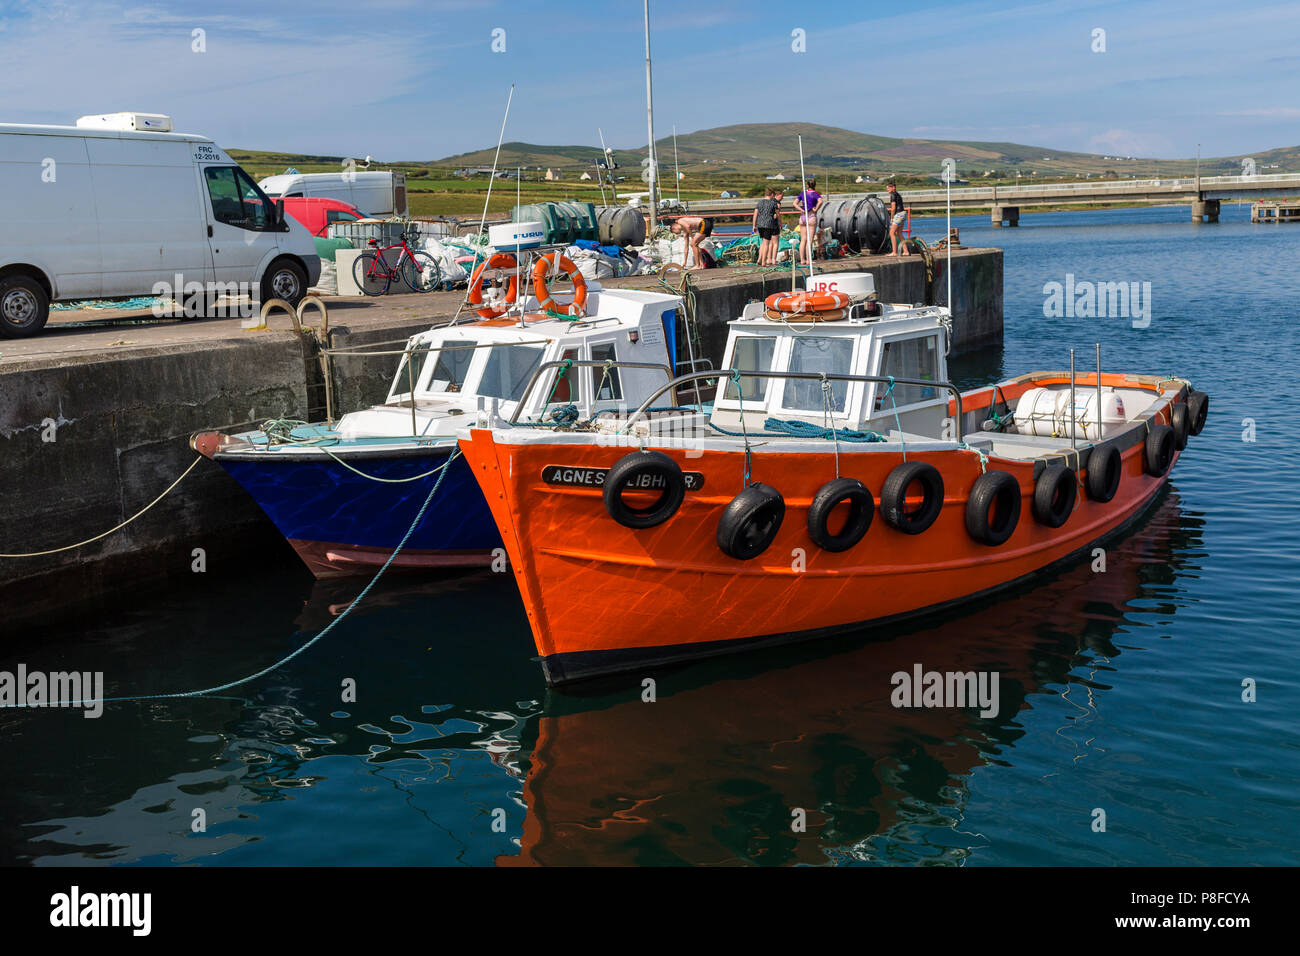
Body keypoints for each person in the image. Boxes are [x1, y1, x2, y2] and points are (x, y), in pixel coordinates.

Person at [794, 178, 823, 261]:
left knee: (803, 240)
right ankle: (808, 260)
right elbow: (820, 201)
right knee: (809, 240)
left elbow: (794, 203)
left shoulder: (802, 193)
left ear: (807, 185)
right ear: (815, 185)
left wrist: (801, 209)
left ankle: (802, 260)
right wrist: (816, 209)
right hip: (811, 216)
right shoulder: (816, 194)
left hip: (802, 216)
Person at [751, 188, 780, 266]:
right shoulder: (773, 203)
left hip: (760, 224)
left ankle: (759, 259)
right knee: (766, 243)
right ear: (771, 195)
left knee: (763, 243)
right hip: (768, 224)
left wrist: (754, 225)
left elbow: (755, 214)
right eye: (773, 195)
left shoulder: (759, 203)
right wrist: (780, 223)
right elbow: (778, 214)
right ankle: (764, 262)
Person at [887, 181, 908, 256]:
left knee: (892, 233)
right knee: (899, 233)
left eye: (889, 188)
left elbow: (893, 208)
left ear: (893, 187)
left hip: (898, 214)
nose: (887, 190)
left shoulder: (893, 195)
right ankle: (906, 251)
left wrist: (891, 218)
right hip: (903, 213)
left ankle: (894, 252)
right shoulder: (898, 194)